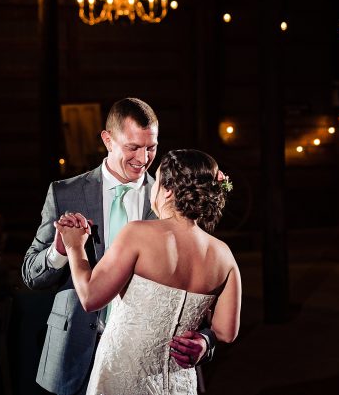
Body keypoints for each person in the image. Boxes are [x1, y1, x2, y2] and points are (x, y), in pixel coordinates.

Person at [22, 98, 215, 395]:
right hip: (73, 352)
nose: (144, 157)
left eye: (151, 147)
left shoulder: (174, 201)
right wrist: (59, 250)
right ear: (108, 140)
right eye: (133, 147)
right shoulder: (65, 193)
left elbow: (198, 284)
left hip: (145, 362)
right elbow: (32, 275)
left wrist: (205, 340)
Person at [56, 149, 241, 394]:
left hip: (123, 377)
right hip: (178, 382)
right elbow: (226, 332)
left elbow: (91, 297)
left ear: (167, 189)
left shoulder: (139, 234)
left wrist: (74, 246)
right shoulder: (224, 255)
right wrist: (205, 343)